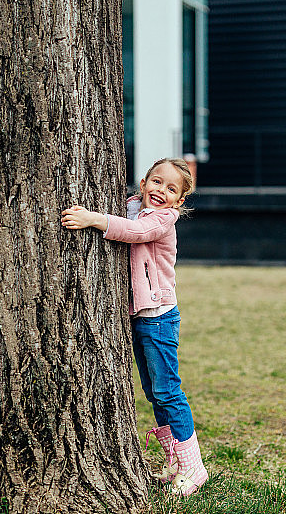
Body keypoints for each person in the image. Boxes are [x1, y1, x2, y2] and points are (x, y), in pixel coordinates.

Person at [60, 157, 208, 496]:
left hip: (159, 317)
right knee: (153, 392)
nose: (161, 191)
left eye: (171, 189)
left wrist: (93, 219)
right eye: (156, 182)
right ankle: (175, 462)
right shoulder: (130, 207)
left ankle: (193, 468)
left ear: (179, 201)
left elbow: (136, 233)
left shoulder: (163, 220)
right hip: (139, 316)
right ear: (143, 183)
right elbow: (129, 221)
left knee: (167, 391)